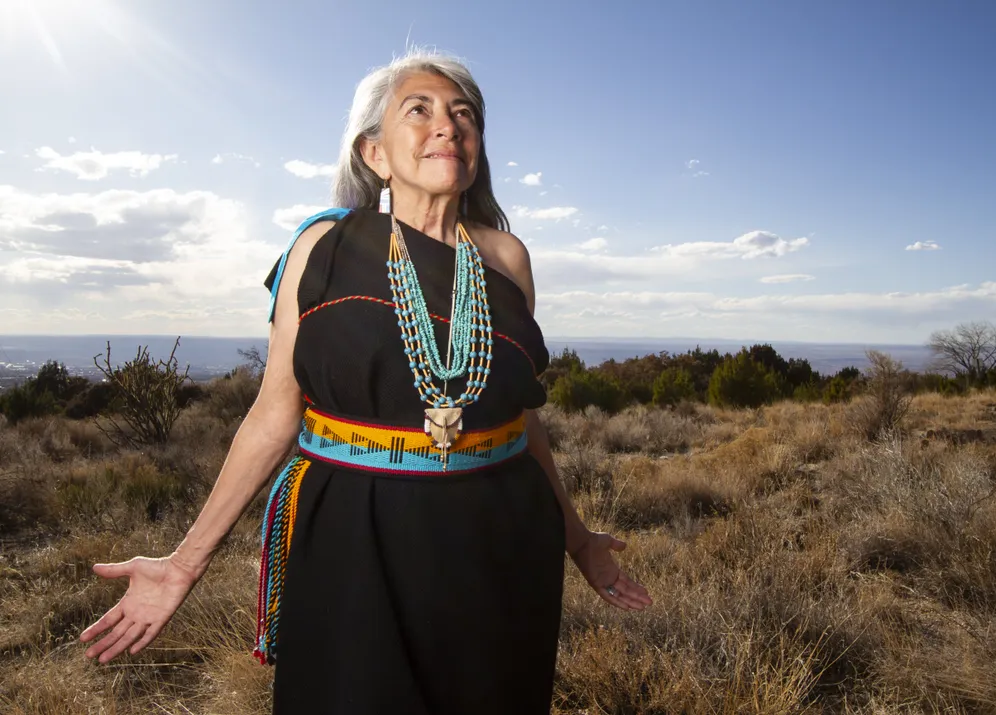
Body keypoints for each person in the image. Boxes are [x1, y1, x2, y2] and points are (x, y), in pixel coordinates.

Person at [79, 49, 653, 713]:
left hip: (500, 534)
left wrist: (577, 537)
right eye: (421, 109)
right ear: (375, 153)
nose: (448, 125)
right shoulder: (322, 248)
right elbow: (273, 414)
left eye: (464, 114)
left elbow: (516, 416)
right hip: (357, 534)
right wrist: (184, 563)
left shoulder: (505, 257)